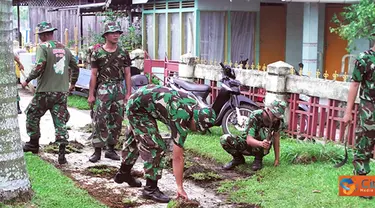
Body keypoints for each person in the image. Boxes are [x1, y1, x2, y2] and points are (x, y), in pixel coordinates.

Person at [115, 84, 216, 203]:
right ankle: (150, 189)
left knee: (135, 140)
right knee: (155, 146)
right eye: (196, 127)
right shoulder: (181, 116)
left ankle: (123, 173)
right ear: (194, 119)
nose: (195, 130)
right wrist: (179, 187)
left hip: (142, 99)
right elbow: (177, 157)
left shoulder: (195, 105)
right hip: (137, 107)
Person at [21, 21, 79, 165]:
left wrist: (27, 80)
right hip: (61, 92)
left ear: (44, 35)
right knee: (60, 122)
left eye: (40, 35)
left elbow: (40, 65)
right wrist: (72, 84)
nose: (40, 38)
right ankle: (62, 153)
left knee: (32, 114)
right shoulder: (64, 48)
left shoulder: (43, 47)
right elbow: (75, 67)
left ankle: (33, 144)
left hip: (45, 92)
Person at [87, 21, 132, 163]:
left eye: (118, 32)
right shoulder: (97, 53)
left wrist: (128, 93)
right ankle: (97, 150)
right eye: (113, 33)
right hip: (103, 88)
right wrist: (91, 94)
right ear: (106, 35)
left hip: (118, 88)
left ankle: (111, 149)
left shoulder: (123, 53)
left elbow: (128, 74)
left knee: (117, 119)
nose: (116, 35)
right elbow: (93, 75)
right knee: (100, 119)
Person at [343, 36, 375, 200]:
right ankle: (362, 185)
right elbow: (354, 84)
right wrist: (348, 112)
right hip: (369, 109)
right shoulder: (364, 59)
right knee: (364, 145)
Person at [221, 100, 287, 171]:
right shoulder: (256, 115)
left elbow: (276, 138)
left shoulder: (278, 121)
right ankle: (238, 159)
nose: (276, 119)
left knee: (265, 134)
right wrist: (261, 143)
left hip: (262, 148)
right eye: (274, 115)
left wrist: (277, 159)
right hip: (247, 143)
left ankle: (258, 159)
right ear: (268, 110)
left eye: (278, 117)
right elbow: (249, 140)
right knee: (224, 139)